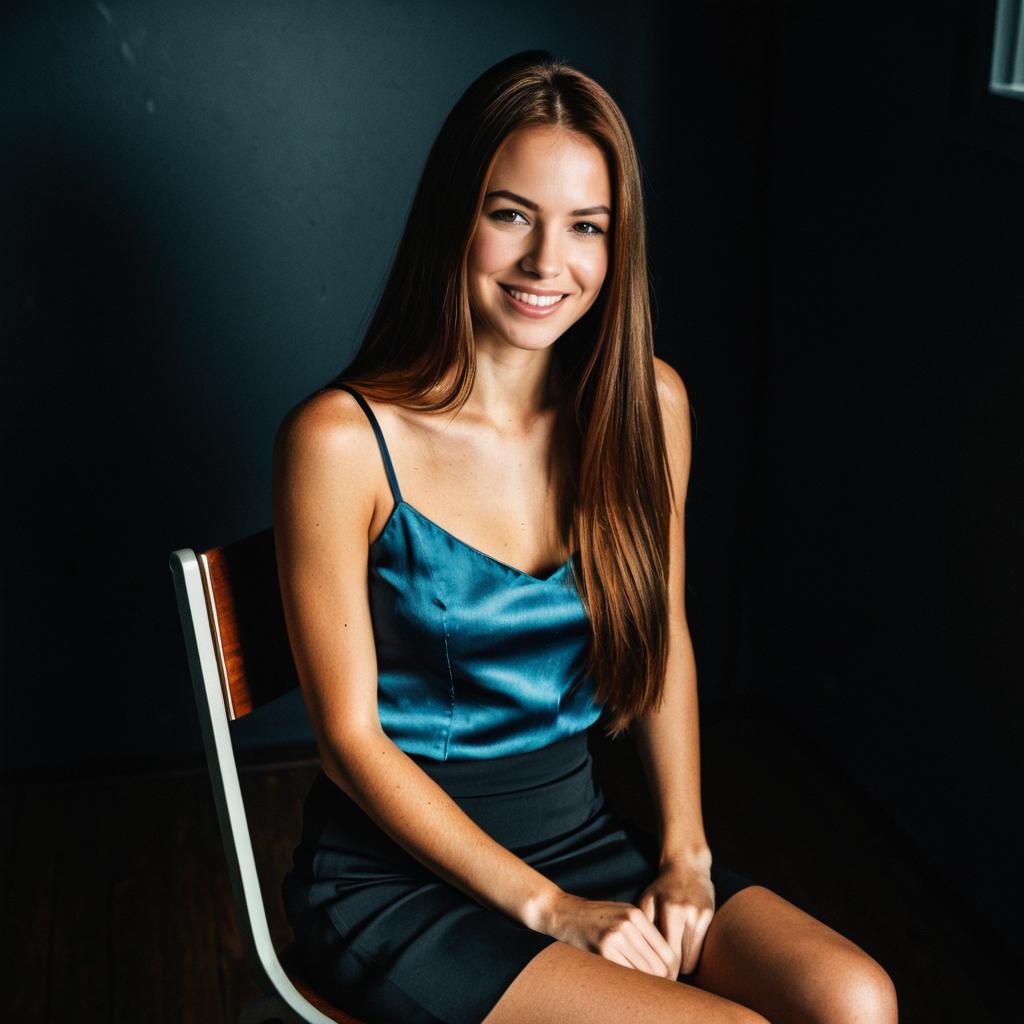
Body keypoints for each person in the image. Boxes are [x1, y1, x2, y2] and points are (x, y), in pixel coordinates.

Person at [271, 50, 898, 1024]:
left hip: (584, 841)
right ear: (455, 215)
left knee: (855, 1000)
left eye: (585, 227)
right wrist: (552, 910)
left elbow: (665, 640)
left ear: (617, 245)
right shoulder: (341, 440)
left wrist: (684, 851)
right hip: (397, 882)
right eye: (510, 213)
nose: (545, 264)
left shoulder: (651, 404)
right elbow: (349, 743)